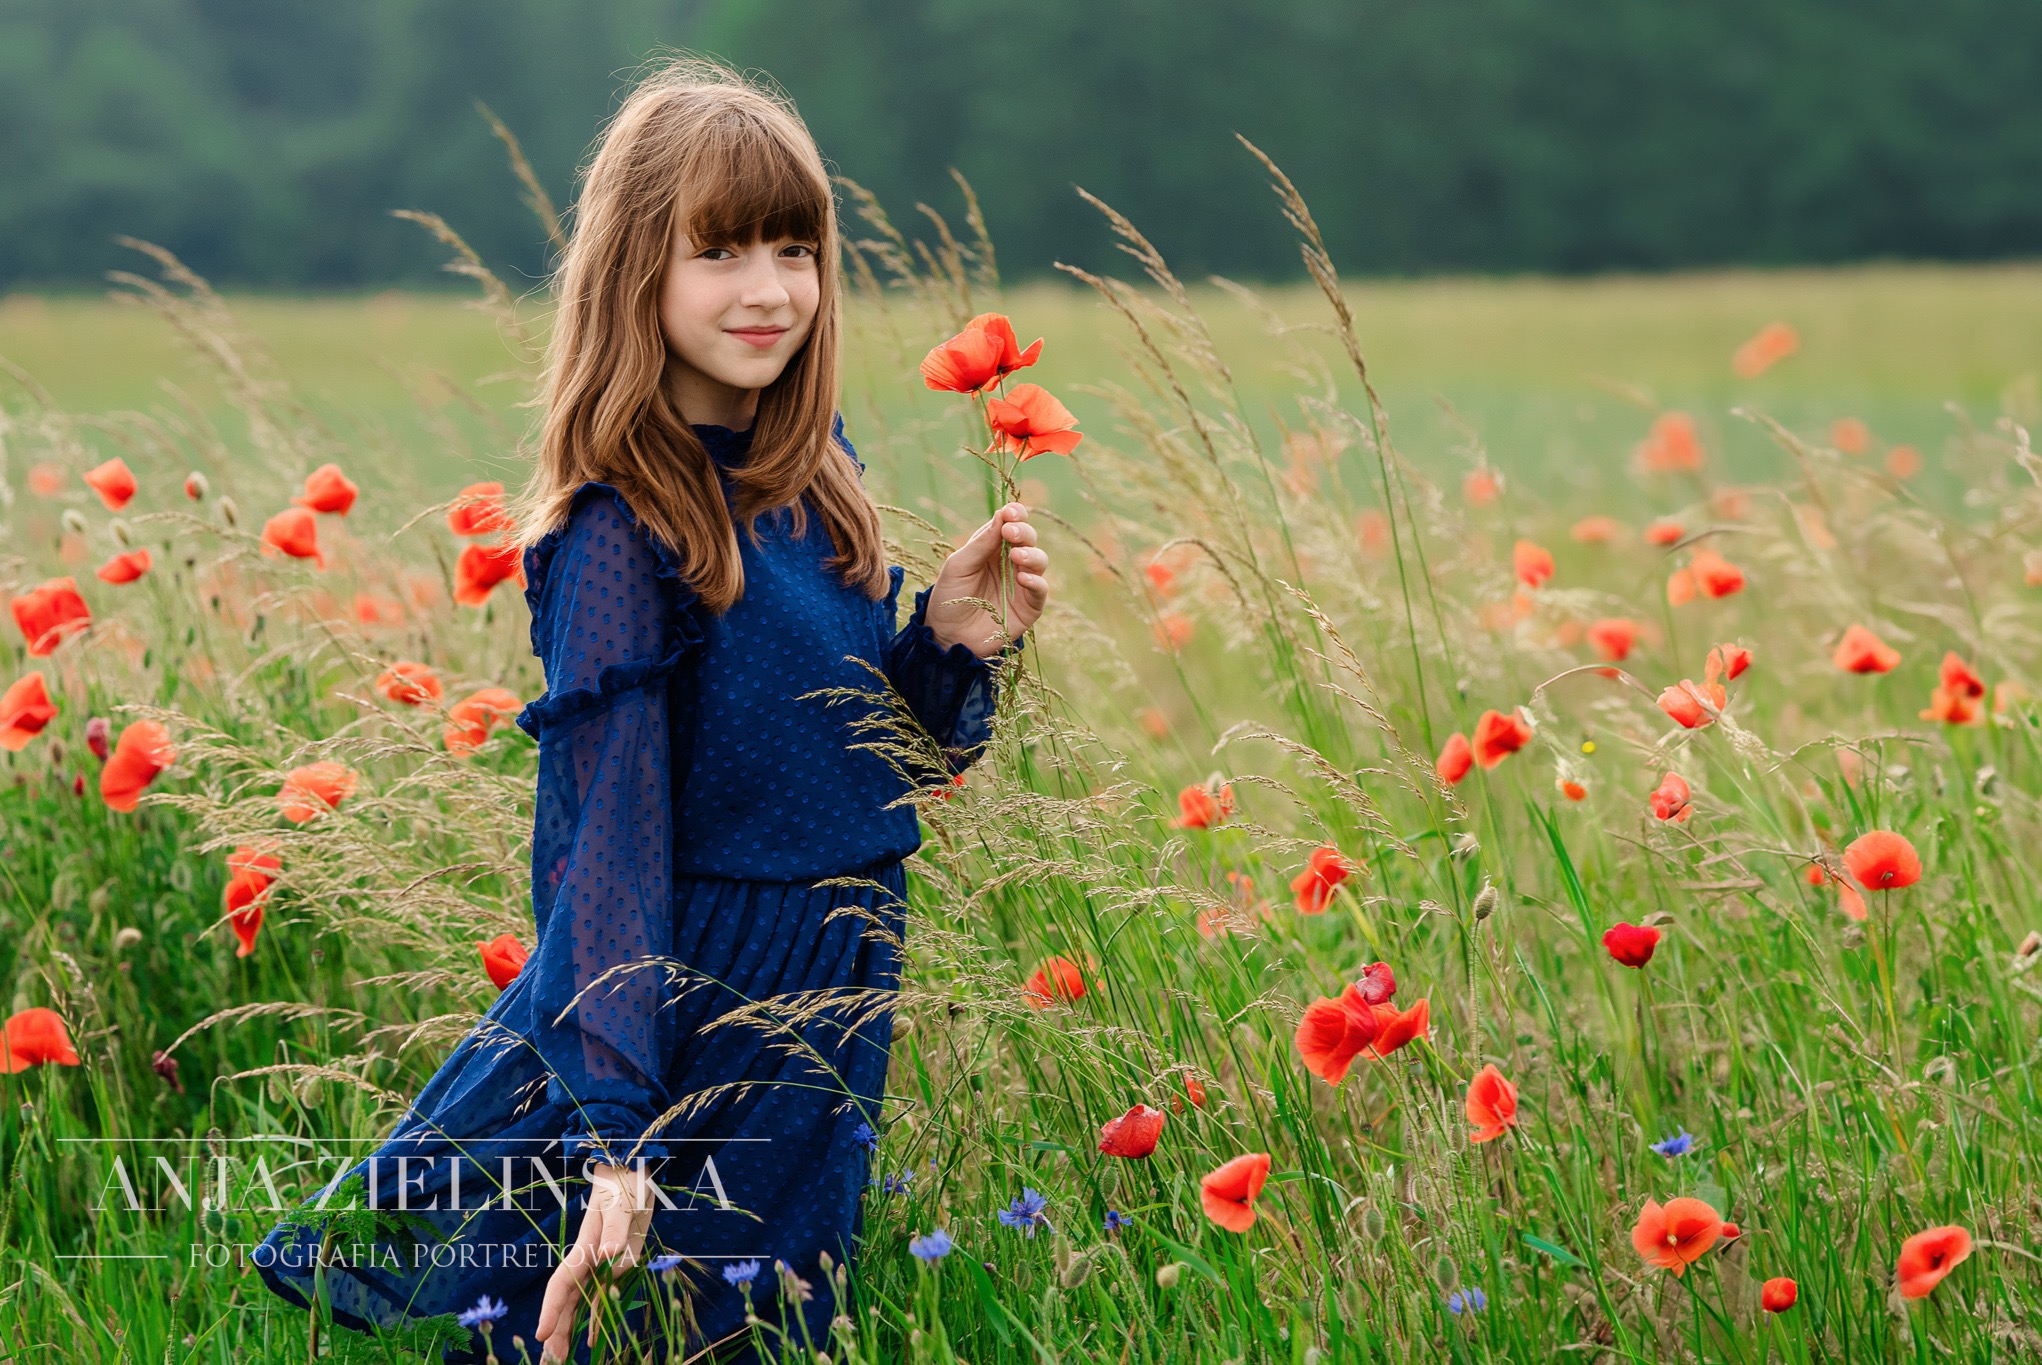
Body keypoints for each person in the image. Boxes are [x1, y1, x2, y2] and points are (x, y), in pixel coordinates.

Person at [252, 56, 1048, 1363]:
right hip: (690, 1008)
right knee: (645, 1336)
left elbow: (870, 754)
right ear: (638, 270)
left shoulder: (815, 471)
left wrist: (948, 642)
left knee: (775, 1334)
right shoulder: (621, 529)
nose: (769, 287)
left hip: (832, 983)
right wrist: (617, 1139)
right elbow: (603, 848)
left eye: (795, 246)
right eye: (720, 248)